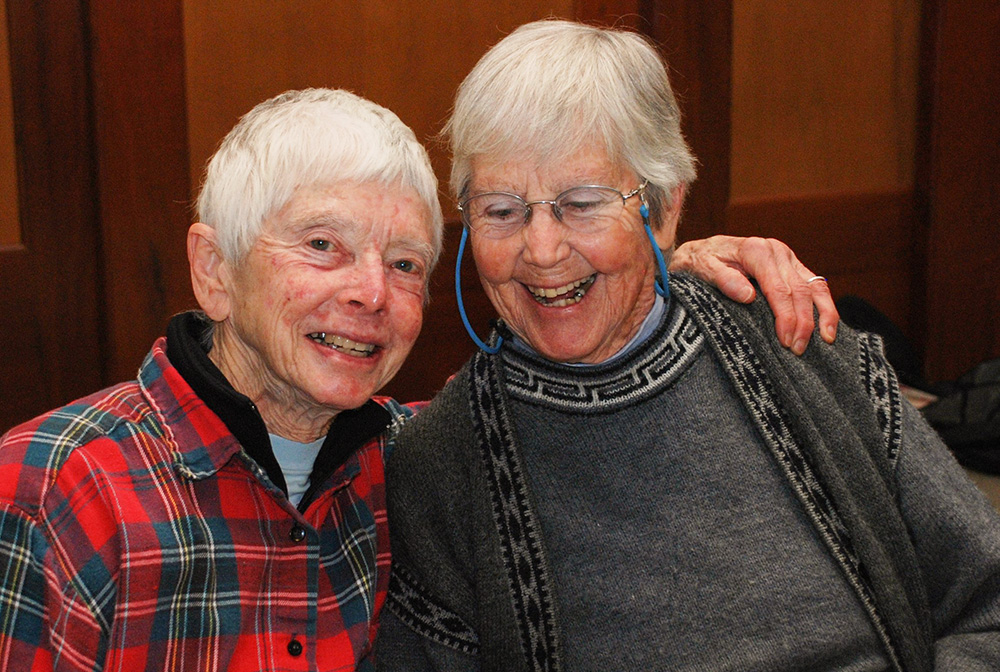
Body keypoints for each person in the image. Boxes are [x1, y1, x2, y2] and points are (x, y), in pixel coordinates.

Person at [0, 87, 834, 671]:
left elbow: (587, 391)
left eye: (404, 263)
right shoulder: (59, 488)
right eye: (322, 245)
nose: (369, 293)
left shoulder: (423, 459)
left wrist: (669, 275)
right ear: (213, 271)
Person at [377, 20, 1000, 671]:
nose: (541, 251)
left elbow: (989, 604)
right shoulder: (444, 463)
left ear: (668, 209)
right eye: (502, 210)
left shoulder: (798, 345)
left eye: (582, 203)